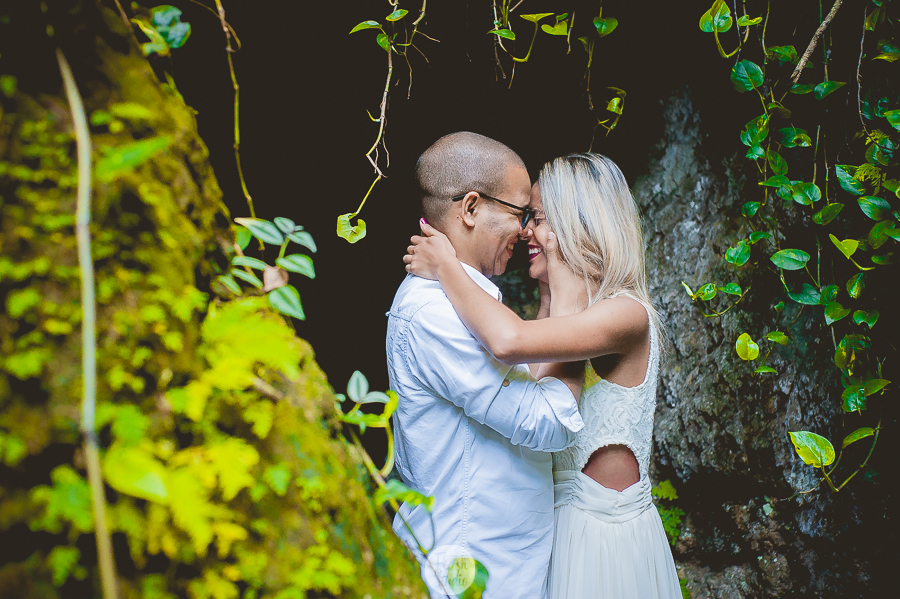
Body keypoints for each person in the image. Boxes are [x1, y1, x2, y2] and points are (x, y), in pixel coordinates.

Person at [403, 152, 682, 599]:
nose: (526, 231)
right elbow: (538, 400)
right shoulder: (561, 314)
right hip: (561, 536)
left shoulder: (625, 315)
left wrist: (446, 268)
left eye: (536, 218)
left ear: (577, 224)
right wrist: (552, 297)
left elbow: (508, 340)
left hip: (603, 544)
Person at [386, 132, 586, 598]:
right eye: (519, 213)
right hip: (470, 567)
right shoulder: (435, 313)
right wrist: (574, 321)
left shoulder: (462, 302)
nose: (526, 230)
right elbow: (548, 421)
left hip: (497, 562)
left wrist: (549, 297)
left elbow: (527, 387)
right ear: (471, 208)